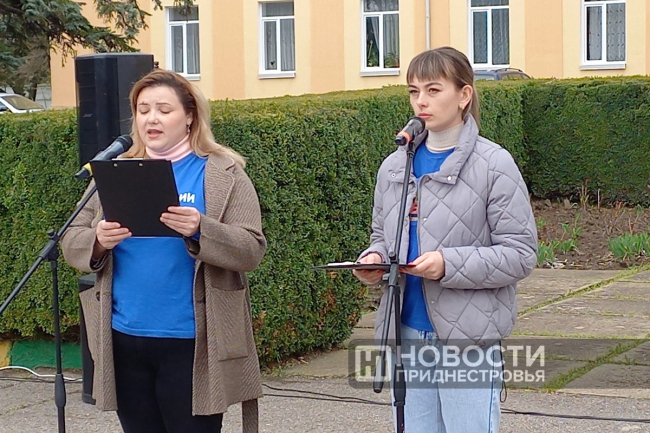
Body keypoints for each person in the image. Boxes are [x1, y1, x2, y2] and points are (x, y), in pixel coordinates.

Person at [61, 69, 266, 433]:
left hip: (192, 342)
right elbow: (70, 237)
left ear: (190, 116)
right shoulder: (115, 171)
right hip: (124, 337)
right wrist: (98, 240)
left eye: (163, 109)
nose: (151, 119)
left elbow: (251, 249)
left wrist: (200, 229)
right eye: (143, 110)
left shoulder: (224, 173)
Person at [353, 47, 538, 432]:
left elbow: (520, 254)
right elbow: (382, 237)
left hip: (468, 339)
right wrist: (374, 260)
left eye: (433, 90)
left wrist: (447, 265)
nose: (421, 101)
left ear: (464, 95)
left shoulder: (494, 164)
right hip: (406, 333)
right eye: (414, 91)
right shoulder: (394, 166)